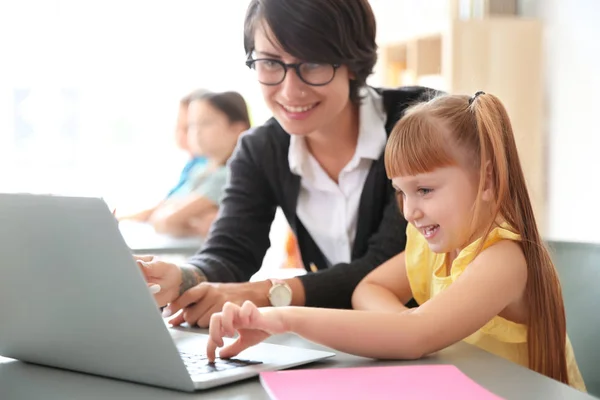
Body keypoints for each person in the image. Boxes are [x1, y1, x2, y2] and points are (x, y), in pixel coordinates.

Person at [204, 92, 587, 392]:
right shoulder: (430, 249)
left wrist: (281, 318)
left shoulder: (503, 259)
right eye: (401, 193)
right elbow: (369, 289)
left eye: (424, 189)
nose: (410, 211)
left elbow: (414, 337)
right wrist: (413, 326)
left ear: (486, 181)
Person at [138, 0, 437, 327]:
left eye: (313, 64)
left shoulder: (421, 123)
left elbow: (391, 262)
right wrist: (184, 278)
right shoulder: (259, 149)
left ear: (352, 61)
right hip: (345, 341)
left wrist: (267, 292)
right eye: (269, 63)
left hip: (441, 338)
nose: (290, 90)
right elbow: (232, 250)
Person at [123, 90, 251, 237]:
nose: (196, 132)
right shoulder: (199, 170)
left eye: (206, 123)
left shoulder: (229, 175)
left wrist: (175, 217)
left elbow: (166, 221)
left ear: (237, 129)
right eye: (192, 125)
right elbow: (162, 213)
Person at [118, 89, 209, 224]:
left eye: (187, 127)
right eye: (178, 125)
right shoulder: (192, 165)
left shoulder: (208, 167)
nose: (179, 133)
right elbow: (164, 205)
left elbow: (170, 210)